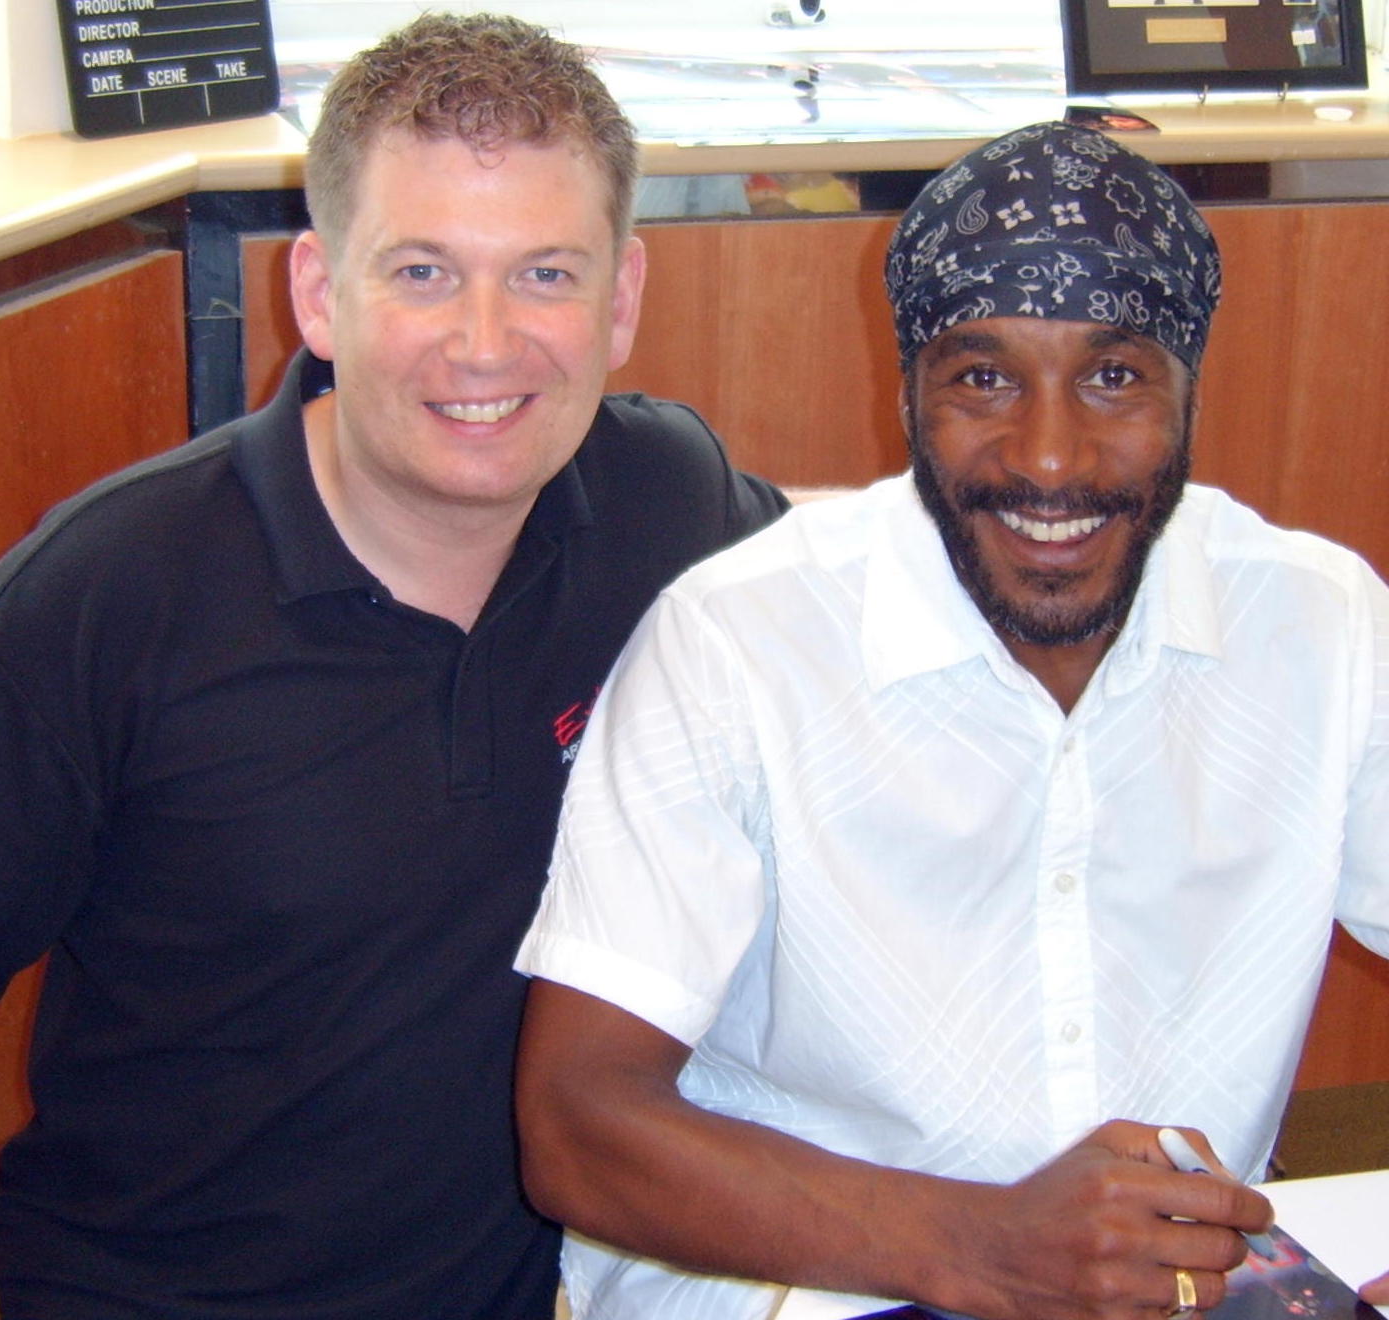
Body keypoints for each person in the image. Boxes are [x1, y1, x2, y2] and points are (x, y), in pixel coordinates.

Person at [0, 14, 786, 1319]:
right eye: (423, 272)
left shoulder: (666, 504)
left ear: (620, 301)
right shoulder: (106, 598)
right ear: (319, 293)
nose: (486, 343)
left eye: (545, 274)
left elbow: (861, 596)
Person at [513, 120, 1389, 1320]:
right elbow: (579, 1124)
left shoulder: (1318, 625)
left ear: (1188, 391)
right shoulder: (734, 645)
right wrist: (986, 1250)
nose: (1048, 457)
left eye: (1114, 377)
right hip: (795, 1291)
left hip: (1172, 1288)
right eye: (982, 377)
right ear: (906, 395)